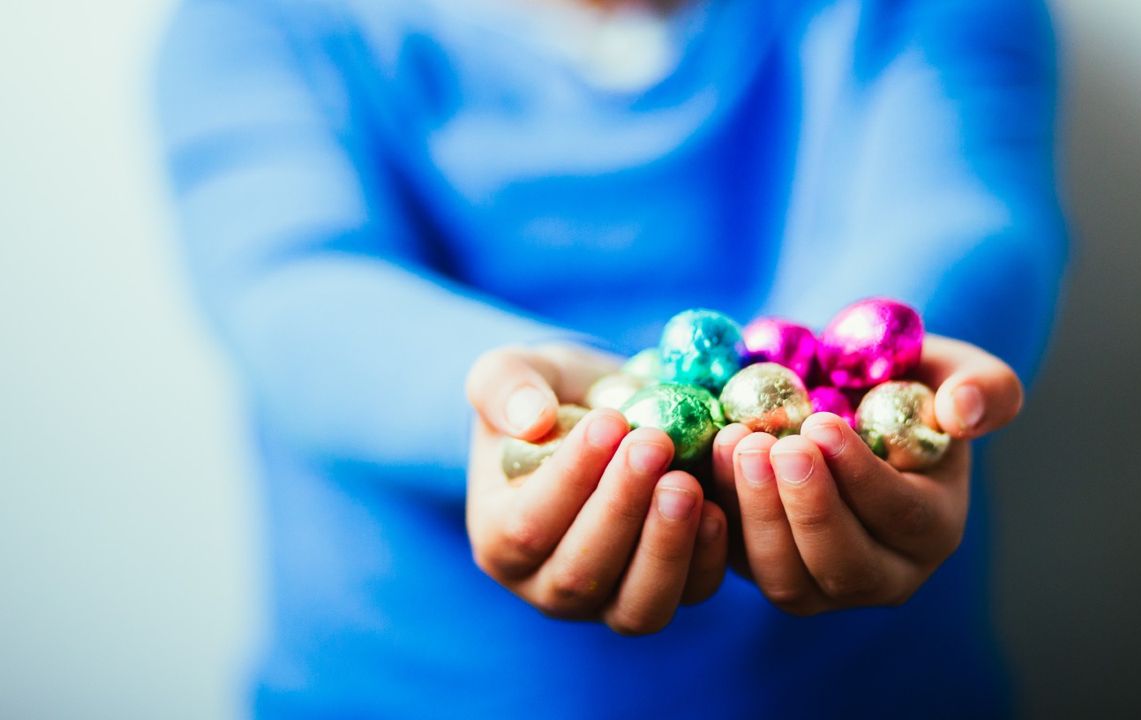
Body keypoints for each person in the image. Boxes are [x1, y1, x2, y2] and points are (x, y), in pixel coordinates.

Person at [155, 0, 1066, 716]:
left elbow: (963, 218)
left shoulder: (900, 11)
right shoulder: (265, 20)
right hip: (406, 693)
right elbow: (294, 287)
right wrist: (514, 407)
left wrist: (869, 403)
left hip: (862, 695)